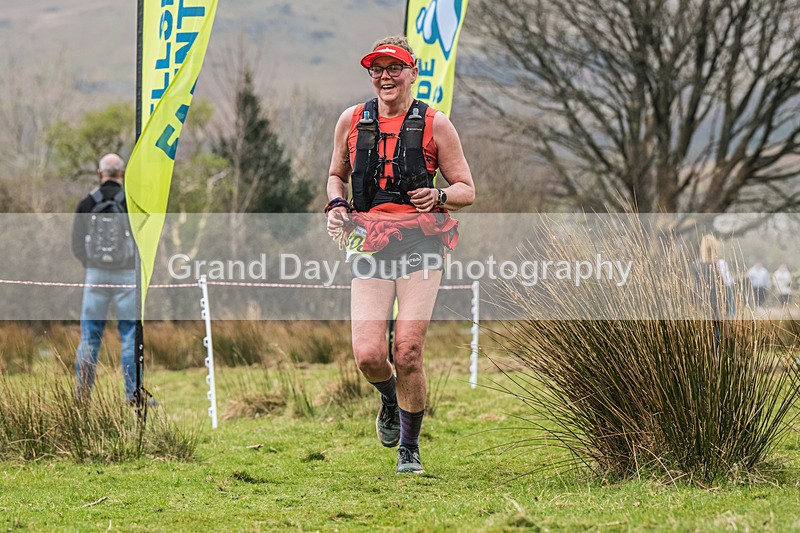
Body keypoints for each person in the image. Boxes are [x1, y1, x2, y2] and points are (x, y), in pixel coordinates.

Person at [325, 36, 475, 474]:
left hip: (420, 242)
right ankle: (391, 399)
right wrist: (337, 205)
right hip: (369, 241)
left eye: (395, 68)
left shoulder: (435, 124)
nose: (385, 76)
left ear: (412, 72)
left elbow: (467, 189)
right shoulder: (351, 120)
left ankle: (409, 450)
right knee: (370, 355)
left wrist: (440, 193)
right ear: (370, 74)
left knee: (407, 350)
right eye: (377, 69)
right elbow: (336, 176)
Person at [71, 153, 137, 403]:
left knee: (89, 335)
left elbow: (76, 243)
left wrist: (90, 265)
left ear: (100, 174)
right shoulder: (130, 203)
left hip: (95, 274)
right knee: (130, 333)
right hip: (127, 275)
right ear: (122, 174)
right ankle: (132, 395)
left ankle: (82, 395)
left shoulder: (86, 203)